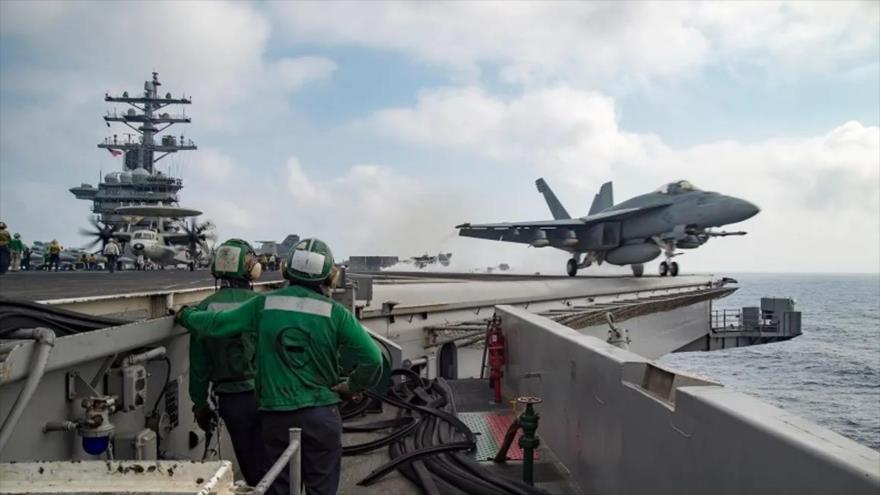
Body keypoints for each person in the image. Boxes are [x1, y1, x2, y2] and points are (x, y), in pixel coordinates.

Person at [177, 238, 383, 495]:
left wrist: (185, 315)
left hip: (276, 416)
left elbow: (216, 324)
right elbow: (373, 359)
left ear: (286, 269)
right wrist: (351, 386)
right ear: (330, 276)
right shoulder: (337, 313)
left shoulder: (264, 304)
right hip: (322, 414)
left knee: (276, 485)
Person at [188, 239, 264, 485]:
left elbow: (199, 368)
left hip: (232, 400)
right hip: (269, 396)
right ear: (251, 268)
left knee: (250, 465)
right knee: (278, 461)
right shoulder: (264, 305)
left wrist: (200, 405)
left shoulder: (203, 309)